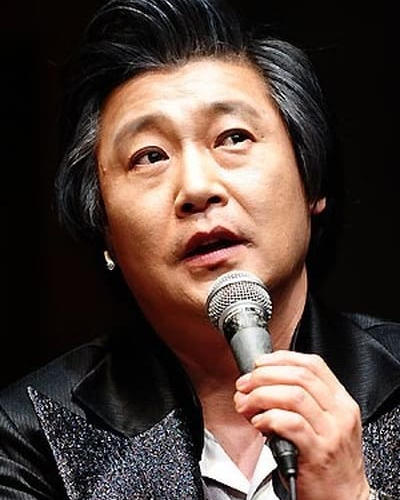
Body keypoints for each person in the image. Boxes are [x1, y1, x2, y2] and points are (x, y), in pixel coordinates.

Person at [1, 0, 399, 498]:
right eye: (150, 157)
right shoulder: (26, 438)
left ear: (312, 181)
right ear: (104, 229)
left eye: (233, 137)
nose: (196, 188)